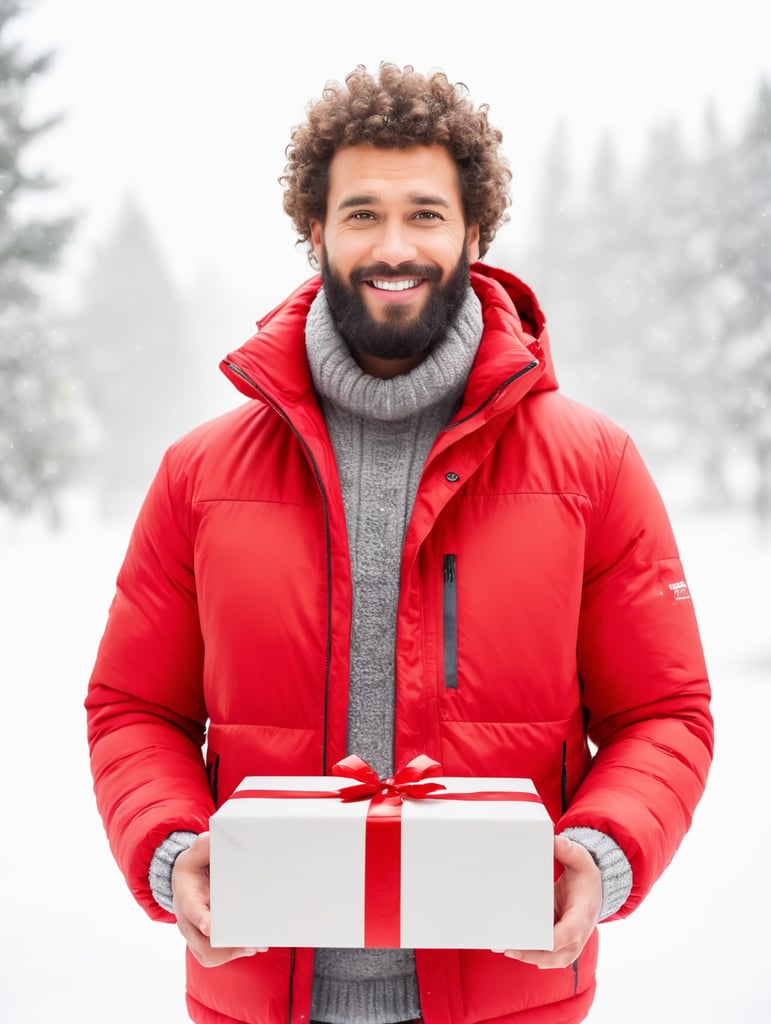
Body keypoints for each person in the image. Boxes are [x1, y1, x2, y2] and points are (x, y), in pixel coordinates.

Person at [85, 63, 714, 1024]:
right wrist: (170, 849)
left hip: (509, 990)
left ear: (474, 233)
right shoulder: (197, 475)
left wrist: (605, 849)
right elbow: (133, 707)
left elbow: (664, 712)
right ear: (315, 232)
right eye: (361, 213)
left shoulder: (592, 466)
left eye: (425, 213)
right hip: (259, 991)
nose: (393, 245)